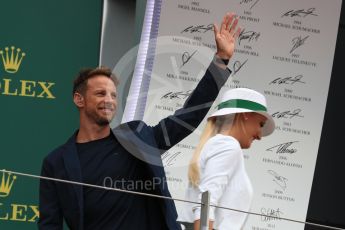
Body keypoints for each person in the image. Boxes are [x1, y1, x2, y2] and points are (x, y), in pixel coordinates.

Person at [38, 12, 241, 230]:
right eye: (100, 94)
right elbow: (49, 225)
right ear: (79, 99)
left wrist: (221, 61)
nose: (109, 101)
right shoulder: (56, 163)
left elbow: (187, 116)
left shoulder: (136, 138)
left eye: (113, 95)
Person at [178, 88, 275, 230]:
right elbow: (206, 202)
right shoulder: (228, 145)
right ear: (245, 115)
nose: (260, 135)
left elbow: (205, 201)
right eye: (260, 124)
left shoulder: (216, 144)